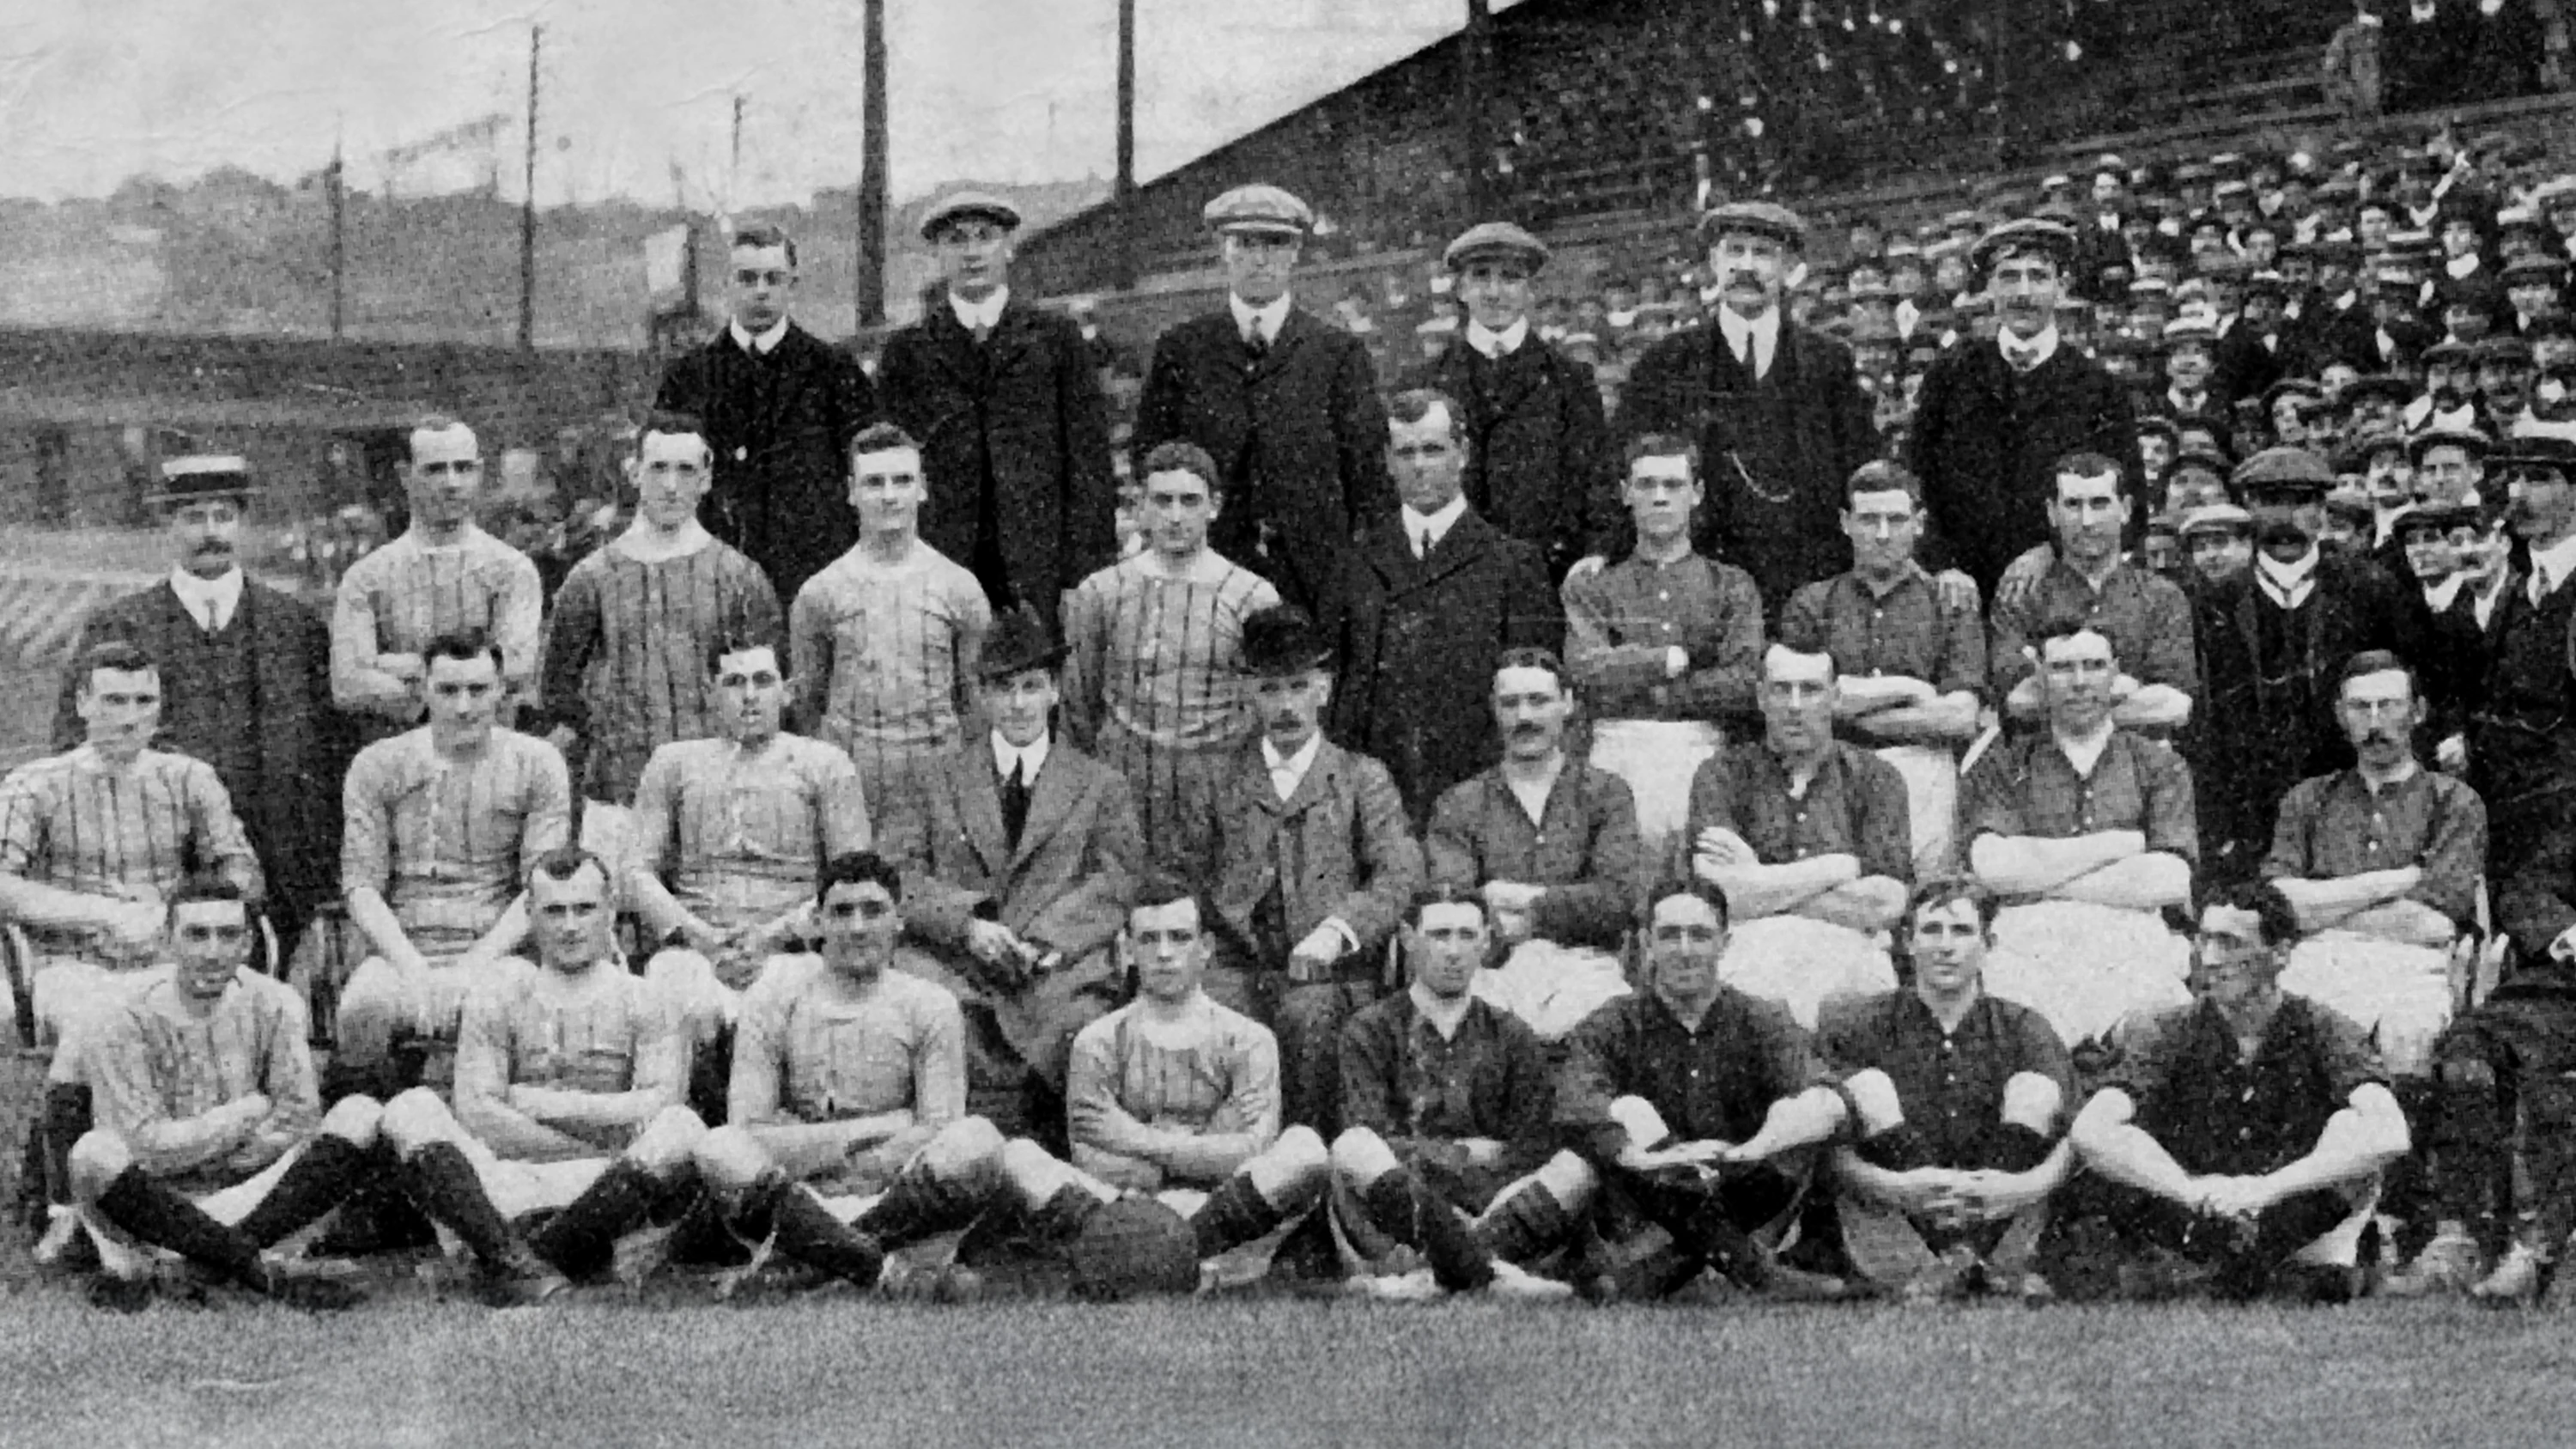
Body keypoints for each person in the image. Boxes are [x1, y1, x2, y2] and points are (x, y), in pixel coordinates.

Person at [2, 638, 264, 1261]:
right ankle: (68, 1208)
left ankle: (188, 1188)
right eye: (114, 700)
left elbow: (243, 871)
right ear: (83, 703)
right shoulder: (37, 783)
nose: (129, 716)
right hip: (72, 960)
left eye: (144, 700)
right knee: (97, 1021)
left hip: (167, 955)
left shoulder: (189, 779)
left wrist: (178, 916)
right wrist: (100, 912)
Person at [2043, 885, 2411, 1301]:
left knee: (2352, 1124)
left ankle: (2288, 1266)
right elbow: (2092, 1129)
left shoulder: (2324, 1027)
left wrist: (2264, 1190)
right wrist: (2190, 1191)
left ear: (2280, 954)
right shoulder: (2169, 1029)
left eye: (2231, 943)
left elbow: (2391, 1132)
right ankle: (2248, 1272)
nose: (2211, 959)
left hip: (2293, 1210)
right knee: (2113, 1134)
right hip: (2198, 1208)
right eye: (2205, 940)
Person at [52, 454, 346, 966]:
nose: (211, 532)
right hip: (154, 877)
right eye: (193, 517)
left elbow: (332, 753)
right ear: (167, 524)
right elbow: (73, 753)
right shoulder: (120, 627)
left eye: (223, 516)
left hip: (280, 875)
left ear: (243, 521)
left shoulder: (296, 627)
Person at [375, 849, 707, 1303]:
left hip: (607, 1182)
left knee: (683, 1128)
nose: (570, 926)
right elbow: (477, 1114)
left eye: (584, 909)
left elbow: (658, 1106)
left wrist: (541, 1103)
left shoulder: (646, 999)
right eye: (554, 911)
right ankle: (534, 1258)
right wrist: (592, 1134)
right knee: (410, 1108)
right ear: (530, 914)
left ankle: (513, 1262)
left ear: (610, 910)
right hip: (509, 1181)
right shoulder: (500, 995)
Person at [876, 605, 1142, 1145]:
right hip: (956, 962)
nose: (1018, 704)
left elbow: (1117, 880)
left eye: (1031, 686)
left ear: (1055, 692)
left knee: (1078, 1020)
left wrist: (1044, 942)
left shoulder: (1099, 785)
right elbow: (894, 874)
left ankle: (1045, 1154)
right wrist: (969, 927)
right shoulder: (934, 779)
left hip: (1055, 966)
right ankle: (953, 1150)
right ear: (980, 696)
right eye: (1003, 689)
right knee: (934, 1007)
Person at [683, 851, 1002, 1293]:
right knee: (719, 1147)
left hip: (896, 1197)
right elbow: (749, 1129)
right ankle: (880, 1270)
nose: (857, 927)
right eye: (842, 912)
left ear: (899, 922)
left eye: (873, 911)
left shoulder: (931, 1004)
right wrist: (885, 1126)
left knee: (977, 1141)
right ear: (817, 923)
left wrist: (832, 1154)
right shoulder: (772, 1000)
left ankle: (812, 1265)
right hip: (798, 1198)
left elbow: (939, 1128)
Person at [64, 877, 373, 1312]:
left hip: (247, 1197)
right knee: (94, 1154)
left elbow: (299, 1119)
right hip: (154, 1207)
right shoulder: (120, 1017)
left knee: (359, 1115)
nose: (212, 951)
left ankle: (198, 1262)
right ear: (167, 941)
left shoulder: (276, 1003)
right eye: (196, 934)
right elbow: (142, 1148)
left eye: (228, 935)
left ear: (248, 943)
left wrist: (202, 1148)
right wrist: (248, 1111)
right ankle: (248, 1263)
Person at [1555, 879, 1855, 1300]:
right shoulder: (1613, 1022)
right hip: (1646, 1197)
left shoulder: (1761, 1019)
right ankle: (1756, 1273)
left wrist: (1756, 1145)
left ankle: (1656, 1275)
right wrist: (1645, 1154)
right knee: (1627, 1110)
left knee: (1807, 1121)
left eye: (1699, 935)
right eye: (1669, 935)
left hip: (1744, 1187)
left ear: (1725, 942)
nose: (1684, 949)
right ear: (1647, 943)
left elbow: (1820, 1089)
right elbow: (1576, 1098)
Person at [539, 413, 784, 895]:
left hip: (720, 795)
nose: (671, 486)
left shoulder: (739, 577)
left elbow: (766, 691)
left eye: (687, 470)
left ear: (707, 478)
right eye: (658, 469)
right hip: (620, 801)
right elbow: (558, 689)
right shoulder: (590, 578)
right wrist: (616, 730)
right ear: (634, 472)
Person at [1206, 604, 1425, 1136]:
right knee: (1203, 1009)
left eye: (1299, 687)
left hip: (1334, 976)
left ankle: (1308, 1161)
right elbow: (1180, 874)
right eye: (1271, 690)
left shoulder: (1360, 778)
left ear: (1324, 690)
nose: (1286, 706)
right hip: (1238, 967)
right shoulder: (1218, 780)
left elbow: (1399, 872)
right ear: (1248, 694)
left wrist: (1337, 931)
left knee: (1311, 1015)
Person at [333, 630, 571, 1095]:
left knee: (504, 1003)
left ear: (502, 690)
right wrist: (415, 970)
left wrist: (470, 969)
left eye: (478, 690)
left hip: (499, 948)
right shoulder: (377, 764)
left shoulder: (537, 763)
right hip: (402, 948)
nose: (464, 707)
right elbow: (361, 887)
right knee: (362, 1007)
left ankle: (491, 1130)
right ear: (423, 689)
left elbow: (541, 887)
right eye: (448, 690)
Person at [1132, 184, 1389, 612]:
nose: (1260, 258)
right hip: (1207, 571)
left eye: (1275, 244)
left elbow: (1369, 475)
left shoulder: (1336, 352)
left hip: (1316, 576)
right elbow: (1152, 454)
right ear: (1222, 250)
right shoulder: (1183, 349)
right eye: (1245, 243)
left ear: (1296, 253)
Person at [1607, 200, 1877, 611]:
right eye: (1734, 251)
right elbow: (1623, 469)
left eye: (1763, 253)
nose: (1746, 266)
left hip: (1811, 579)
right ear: (1714, 263)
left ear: (1789, 268)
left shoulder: (1829, 362)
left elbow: (1859, 468)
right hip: (1698, 585)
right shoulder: (1665, 363)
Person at [1816, 878, 2075, 1301]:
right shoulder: (1860, 1026)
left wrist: (2023, 1187)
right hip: (1895, 1220)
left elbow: (2078, 1138)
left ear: (1988, 943)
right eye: (1932, 930)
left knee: (2035, 1089)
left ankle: (1960, 1261)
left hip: (2005, 1212)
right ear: (1909, 942)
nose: (1945, 945)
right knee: (1868, 1086)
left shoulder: (2023, 1026)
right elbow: (1824, 1151)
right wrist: (1890, 1186)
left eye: (1961, 931)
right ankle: (1966, 1263)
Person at [1060, 878, 1333, 1276]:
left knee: (1305, 1149)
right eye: (1149, 939)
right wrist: (1204, 1149)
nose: (1165, 953)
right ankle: (1182, 1254)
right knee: (1020, 1159)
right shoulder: (1097, 1041)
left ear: (1206, 948)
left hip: (1218, 1202)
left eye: (1180, 937)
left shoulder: (1250, 1040)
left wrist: (1135, 1140)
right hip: (1124, 1204)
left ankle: (1156, 1255)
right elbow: (1088, 1155)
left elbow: (1252, 1150)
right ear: (1128, 950)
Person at [630, 634, 871, 1085]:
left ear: (788, 689)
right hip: (697, 944)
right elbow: (636, 872)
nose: (749, 696)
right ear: (710, 693)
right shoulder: (674, 763)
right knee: (674, 989)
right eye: (733, 682)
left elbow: (854, 877)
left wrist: (773, 938)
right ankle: (669, 1125)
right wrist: (702, 938)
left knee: (793, 998)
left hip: (791, 947)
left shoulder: (824, 764)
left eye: (763, 680)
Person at [1326, 886, 1584, 1301]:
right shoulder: (1370, 1030)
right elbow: (1370, 1135)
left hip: (1493, 1207)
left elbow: (1531, 1147)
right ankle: (1489, 1269)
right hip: (1399, 1220)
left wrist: (1444, 1162)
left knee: (1575, 1168)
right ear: (1409, 940)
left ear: (1485, 942)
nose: (1453, 951)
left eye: (1467, 936)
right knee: (1353, 1148)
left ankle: (1432, 1278)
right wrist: (1467, 1154)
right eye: (1439, 935)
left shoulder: (1512, 1035)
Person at [1325, 389, 1564, 827]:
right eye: (1406, 452)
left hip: (1483, 797)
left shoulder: (1513, 563)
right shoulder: (1356, 563)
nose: (1419, 466)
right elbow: (1340, 692)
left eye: (1434, 450)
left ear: (1464, 452)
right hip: (1378, 797)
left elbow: (1536, 696)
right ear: (1388, 460)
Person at [2188, 448, 2425, 887]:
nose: (2286, 518)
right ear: (2248, 510)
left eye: (2301, 503)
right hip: (2250, 811)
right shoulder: (2212, 604)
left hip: (2350, 797)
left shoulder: (2370, 590)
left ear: (2321, 511)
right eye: (2269, 502)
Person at [877, 192, 1117, 618]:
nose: (972, 252)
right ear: (937, 254)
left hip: (1038, 563)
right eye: (956, 240)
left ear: (1008, 248)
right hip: (942, 563)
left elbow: (1089, 465)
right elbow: (888, 466)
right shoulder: (907, 351)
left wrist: (1083, 576)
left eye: (985, 237)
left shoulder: (1055, 338)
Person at [1962, 618, 2198, 1046]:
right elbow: (1993, 868)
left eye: (2093, 666)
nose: (2079, 682)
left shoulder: (2158, 765)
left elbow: (2170, 878)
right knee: (2019, 1042)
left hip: (2131, 938)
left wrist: (2040, 878)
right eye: (2062, 668)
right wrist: (2121, 846)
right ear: (2039, 677)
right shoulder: (2004, 763)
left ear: (2116, 673)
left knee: (2157, 1035)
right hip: (2029, 941)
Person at [2262, 652, 2487, 1078]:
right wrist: (2393, 882)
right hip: (2319, 959)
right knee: (2284, 1032)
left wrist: (2319, 909)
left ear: (2418, 712)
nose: (2375, 722)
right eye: (2360, 708)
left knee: (2409, 1032)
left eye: (2389, 705)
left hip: (2414, 964)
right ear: (2341, 716)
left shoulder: (2454, 801)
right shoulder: (2308, 799)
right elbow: (2278, 905)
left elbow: (2433, 923)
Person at [1062, 441, 1280, 876]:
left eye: (1190, 501)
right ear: (1141, 505)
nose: (1176, 516)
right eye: (1162, 501)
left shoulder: (1252, 597)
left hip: (1218, 794)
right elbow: (1078, 710)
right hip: (1123, 789)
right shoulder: (1101, 592)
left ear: (1214, 506)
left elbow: (1266, 711)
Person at [1677, 644, 1911, 1027]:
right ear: (1761, 697)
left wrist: (1759, 883)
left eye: (1811, 689)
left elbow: (1884, 904)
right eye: (1782, 689)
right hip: (1751, 949)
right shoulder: (1721, 774)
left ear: (1835, 697)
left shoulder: (1877, 778)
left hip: (1849, 950)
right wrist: (1840, 867)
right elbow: (1720, 895)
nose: (1795, 705)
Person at [1561, 435, 1765, 861]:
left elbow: (1745, 681)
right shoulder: (1595, 584)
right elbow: (1586, 670)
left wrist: (1657, 689)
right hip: (1616, 750)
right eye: (1646, 485)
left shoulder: (1730, 584)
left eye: (1673, 485)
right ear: (1625, 494)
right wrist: (1667, 660)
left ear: (1697, 494)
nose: (1659, 498)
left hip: (1703, 750)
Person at [653, 221, 877, 606]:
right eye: (747, 278)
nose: (760, 291)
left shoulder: (835, 372)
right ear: (727, 284)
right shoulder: (688, 377)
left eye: (773, 278)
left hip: (810, 581)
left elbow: (867, 477)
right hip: (708, 581)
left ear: (793, 284)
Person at [1425, 649, 1646, 1042]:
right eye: (1511, 704)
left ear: (1568, 704)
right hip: (1492, 971)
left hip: (1587, 967)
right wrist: (1563, 906)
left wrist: (1522, 904)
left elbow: (1617, 900)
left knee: (1607, 1023)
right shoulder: (1460, 803)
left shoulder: (1606, 794)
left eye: (1539, 701)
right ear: (1495, 710)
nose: (1524, 717)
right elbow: (1455, 903)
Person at [1909, 220, 2140, 594]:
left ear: (2061, 287)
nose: (2024, 293)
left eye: (2038, 276)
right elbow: (1919, 480)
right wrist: (1943, 565)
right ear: (1989, 287)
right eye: (2010, 277)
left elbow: (2129, 503)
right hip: (1960, 591)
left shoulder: (2098, 386)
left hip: (2065, 586)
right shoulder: (1951, 374)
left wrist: (2054, 548)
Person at [1780, 461, 1987, 874]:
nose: (1882, 534)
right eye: (1869, 519)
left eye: (1896, 519)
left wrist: (1853, 708)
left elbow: (1961, 716)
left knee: (1924, 898)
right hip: (1831, 772)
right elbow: (1800, 705)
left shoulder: (1948, 604)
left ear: (1920, 523)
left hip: (1922, 772)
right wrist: (1910, 689)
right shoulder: (1812, 604)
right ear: (1845, 522)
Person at [788, 422, 993, 812]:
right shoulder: (820, 593)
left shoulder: (959, 588)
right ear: (851, 492)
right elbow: (807, 704)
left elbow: (976, 703)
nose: (889, 496)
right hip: (851, 783)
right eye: (873, 482)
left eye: (902, 481)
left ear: (923, 487)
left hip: (940, 783)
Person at [1415, 222, 1613, 581]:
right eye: (1480, 276)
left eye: (1510, 277)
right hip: (1453, 577)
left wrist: (1594, 553)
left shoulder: (1570, 381)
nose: (1495, 291)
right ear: (1460, 289)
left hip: (1548, 573)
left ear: (1530, 290)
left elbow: (1596, 482)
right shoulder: (1425, 382)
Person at [330, 416, 544, 744]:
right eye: (435, 470)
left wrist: (392, 665)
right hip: (400, 764)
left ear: (480, 472)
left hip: (492, 761)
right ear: (405, 476)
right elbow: (348, 685)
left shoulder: (513, 570)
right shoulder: (367, 577)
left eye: (463, 468)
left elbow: (516, 668)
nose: (452, 483)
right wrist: (469, 678)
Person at [1988, 454, 2197, 733]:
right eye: (2073, 505)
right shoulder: (2023, 596)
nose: (2087, 521)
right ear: (2052, 512)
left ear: (2125, 509)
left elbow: (2174, 706)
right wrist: (2123, 688)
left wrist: (2060, 689)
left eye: (2099, 504)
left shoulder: (2162, 597)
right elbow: (2016, 701)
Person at [2465, 422, 2576, 886]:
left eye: (2538, 478)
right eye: (2514, 479)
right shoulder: (2518, 588)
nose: (2518, 495)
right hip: (2513, 816)